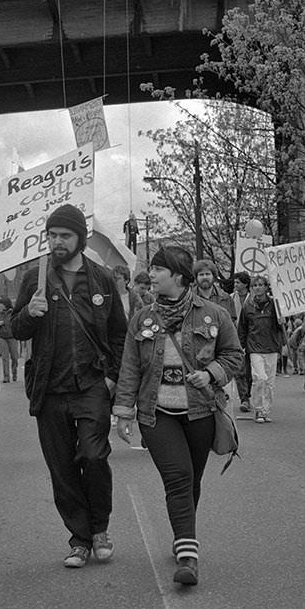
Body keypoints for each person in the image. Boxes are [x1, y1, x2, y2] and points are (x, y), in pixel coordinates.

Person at [113, 245, 243, 586]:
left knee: (192, 481)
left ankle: (183, 535)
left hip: (200, 411)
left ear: (179, 277)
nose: (151, 275)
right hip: (157, 414)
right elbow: (129, 367)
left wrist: (212, 373)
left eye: (158, 270)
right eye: (152, 270)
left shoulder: (214, 314)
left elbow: (234, 354)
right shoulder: (142, 318)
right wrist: (123, 412)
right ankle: (188, 557)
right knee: (179, 479)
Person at [11, 204, 127, 569]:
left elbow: (119, 336)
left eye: (65, 235)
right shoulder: (35, 279)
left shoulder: (102, 280)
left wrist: (111, 377)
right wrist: (29, 313)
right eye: (52, 235)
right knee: (61, 467)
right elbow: (14, 329)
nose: (57, 242)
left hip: (92, 384)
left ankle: (100, 530)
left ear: (80, 239)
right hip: (50, 386)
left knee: (93, 457)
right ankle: (79, 538)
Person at [237, 275, 284, 423]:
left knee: (270, 382)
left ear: (266, 287)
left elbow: (280, 327)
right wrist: (241, 346)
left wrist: (282, 320)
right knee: (260, 378)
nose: (257, 287)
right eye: (254, 285)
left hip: (271, 347)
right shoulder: (247, 306)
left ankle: (265, 410)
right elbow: (242, 328)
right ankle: (258, 409)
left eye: (260, 285)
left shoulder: (274, 305)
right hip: (255, 348)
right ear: (251, 288)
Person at [231, 272, 252, 411]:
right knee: (240, 370)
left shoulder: (254, 298)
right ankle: (244, 398)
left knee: (250, 370)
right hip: (235, 337)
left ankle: (248, 394)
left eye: (238, 282)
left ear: (245, 284)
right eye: (235, 282)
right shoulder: (230, 298)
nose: (236, 285)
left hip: (252, 337)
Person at [0, 296, 18, 382]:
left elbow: (17, 323)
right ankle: (6, 377)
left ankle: (14, 373)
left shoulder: (13, 313)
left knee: (14, 357)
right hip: (2, 337)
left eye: (0, 304)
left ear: (5, 304)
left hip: (12, 337)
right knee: (5, 358)